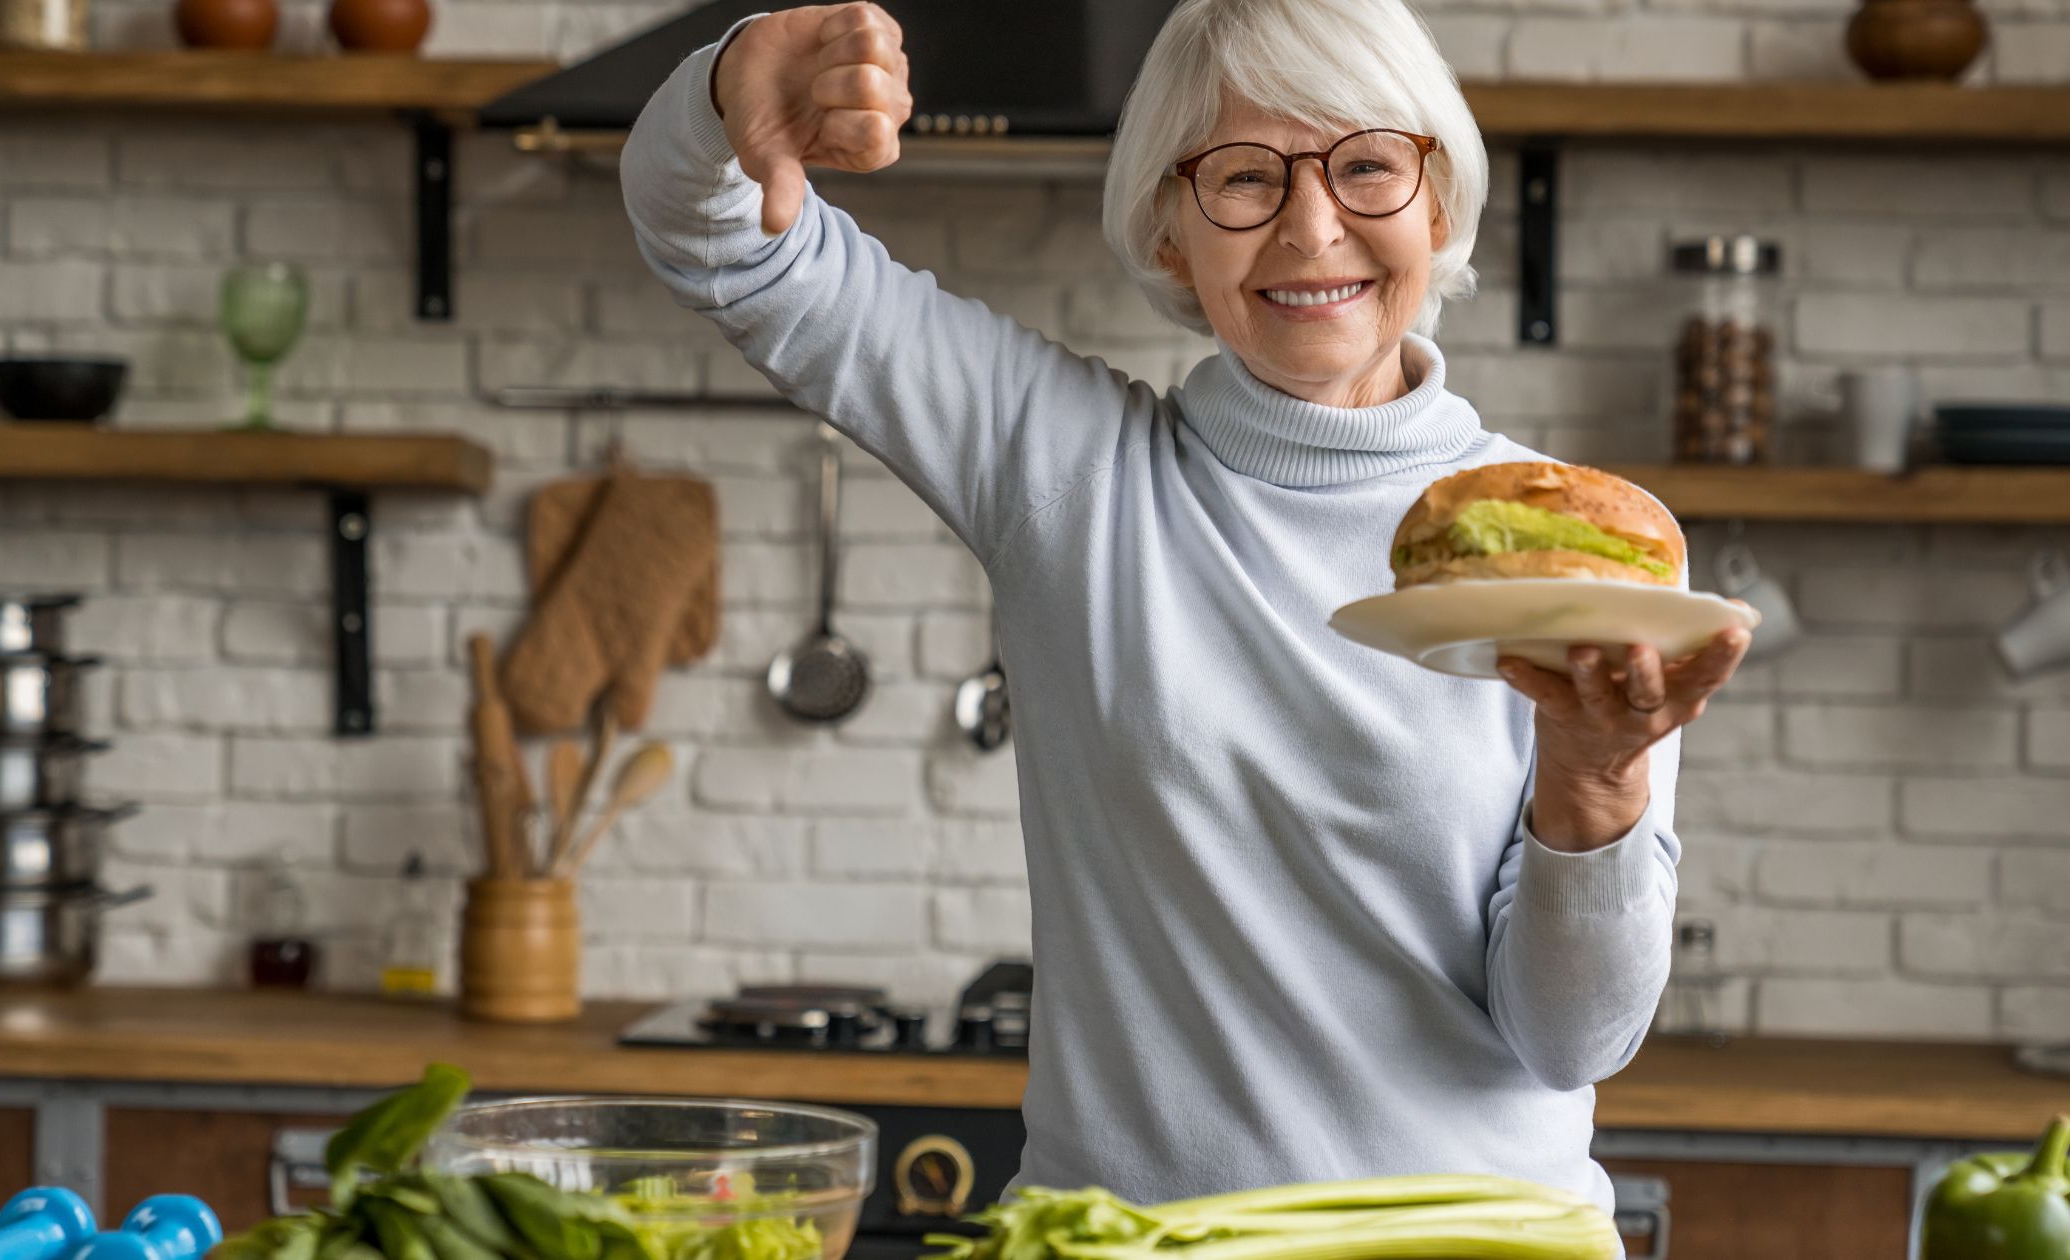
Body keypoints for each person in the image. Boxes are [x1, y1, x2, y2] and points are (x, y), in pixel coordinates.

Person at [620, 0, 1751, 1218]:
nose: (1312, 227)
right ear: (1169, 232)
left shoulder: (1571, 547)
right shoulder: (1067, 472)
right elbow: (727, 248)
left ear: (1436, 203)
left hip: (1470, 1243)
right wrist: (728, 83)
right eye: (1243, 177)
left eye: (1367, 166)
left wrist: (1594, 790)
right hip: (1130, 1242)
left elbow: (1571, 1041)